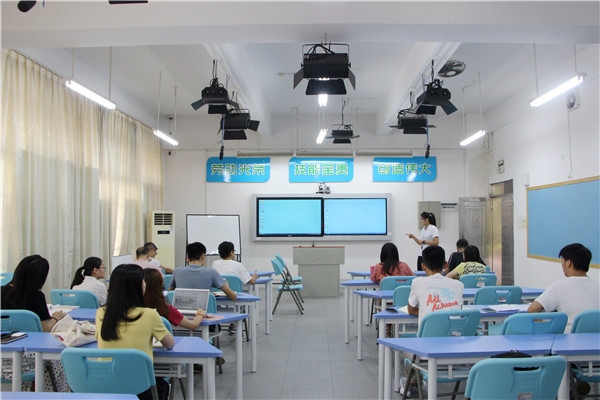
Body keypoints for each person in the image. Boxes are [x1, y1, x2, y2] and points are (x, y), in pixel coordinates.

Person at [96, 264, 174, 400]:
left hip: (105, 385)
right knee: (162, 385)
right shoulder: (149, 314)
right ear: (138, 287)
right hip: (139, 387)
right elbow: (170, 344)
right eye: (143, 281)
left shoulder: (101, 312)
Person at [1, 255, 69, 391]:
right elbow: (45, 328)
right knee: (61, 357)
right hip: (28, 360)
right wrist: (56, 318)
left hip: (3, 356)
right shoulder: (36, 297)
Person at [528, 243, 599, 332]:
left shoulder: (559, 286)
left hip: (568, 338)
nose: (561, 265)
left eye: (562, 261)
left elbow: (532, 310)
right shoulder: (597, 285)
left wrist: (545, 330)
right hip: (596, 338)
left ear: (568, 263)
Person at [407, 245, 464, 326]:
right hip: (453, 333)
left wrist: (429, 311)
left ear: (423, 266)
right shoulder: (459, 285)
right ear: (445, 264)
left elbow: (411, 310)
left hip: (428, 333)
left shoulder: (417, 283)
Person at [170, 242, 237, 301]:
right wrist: (208, 295)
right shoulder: (211, 273)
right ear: (202, 256)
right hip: (204, 310)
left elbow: (170, 294)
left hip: (181, 310)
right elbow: (233, 296)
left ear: (187, 258)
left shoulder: (177, 272)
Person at [143, 268, 207, 330]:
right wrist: (200, 314)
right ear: (160, 285)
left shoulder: (138, 309)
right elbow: (193, 325)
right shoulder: (165, 309)